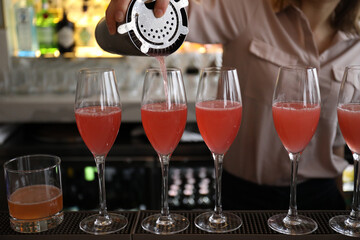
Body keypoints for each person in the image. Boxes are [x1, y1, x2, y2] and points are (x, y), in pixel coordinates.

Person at [106, 0, 360, 210]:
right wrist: (138, 10)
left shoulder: (356, 40)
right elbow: (164, 18)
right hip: (243, 198)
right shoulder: (247, 7)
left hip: (323, 199)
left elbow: (337, 142)